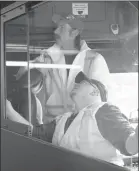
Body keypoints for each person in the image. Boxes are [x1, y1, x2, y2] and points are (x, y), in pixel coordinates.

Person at [6, 71, 138, 166]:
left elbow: (130, 146)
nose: (76, 83)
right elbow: (34, 134)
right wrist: (8, 110)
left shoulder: (104, 111)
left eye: (83, 82)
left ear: (95, 92)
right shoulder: (62, 120)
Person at [15, 13, 110, 123]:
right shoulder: (49, 56)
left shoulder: (94, 59)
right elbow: (23, 76)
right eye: (56, 28)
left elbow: (101, 99)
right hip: (54, 125)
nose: (55, 32)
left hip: (82, 125)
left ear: (75, 32)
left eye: (62, 28)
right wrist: (36, 72)